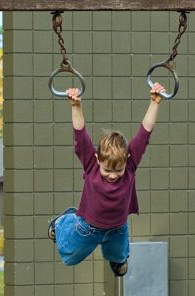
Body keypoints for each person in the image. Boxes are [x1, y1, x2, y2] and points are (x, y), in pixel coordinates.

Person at [47, 83, 166, 277]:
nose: (112, 175)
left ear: (126, 161)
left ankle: (118, 260)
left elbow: (145, 132)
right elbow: (80, 135)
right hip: (88, 227)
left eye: (117, 170)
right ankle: (62, 223)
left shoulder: (130, 165)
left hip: (118, 228)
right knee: (70, 257)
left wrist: (155, 102)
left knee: (119, 258)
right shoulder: (91, 164)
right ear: (97, 159)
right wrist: (76, 106)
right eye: (107, 170)